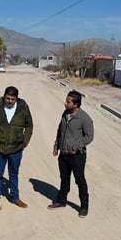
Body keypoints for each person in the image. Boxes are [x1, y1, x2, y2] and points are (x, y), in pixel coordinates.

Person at [48, 90, 94, 218]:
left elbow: (89, 136)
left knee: (80, 181)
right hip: (63, 154)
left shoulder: (84, 118)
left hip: (77, 156)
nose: (65, 103)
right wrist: (56, 146)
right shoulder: (65, 114)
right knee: (64, 179)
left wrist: (77, 147)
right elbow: (60, 130)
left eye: (68, 102)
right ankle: (61, 201)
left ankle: (84, 207)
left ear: (76, 104)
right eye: (66, 100)